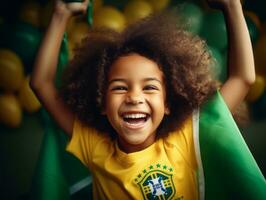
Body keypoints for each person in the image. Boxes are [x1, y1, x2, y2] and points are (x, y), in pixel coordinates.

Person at [30, 0, 265, 199]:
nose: (134, 97)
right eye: (120, 87)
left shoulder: (187, 136)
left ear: (168, 103)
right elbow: (41, 83)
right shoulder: (94, 145)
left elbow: (243, 78)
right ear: (102, 102)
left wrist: (232, 6)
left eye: (150, 87)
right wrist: (60, 15)